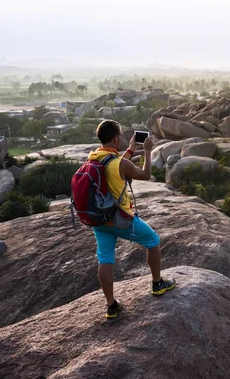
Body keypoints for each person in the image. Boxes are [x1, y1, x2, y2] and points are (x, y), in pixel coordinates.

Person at [89, 120, 175, 319]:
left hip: (100, 220)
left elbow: (115, 167)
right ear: (116, 138)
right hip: (120, 218)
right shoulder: (120, 162)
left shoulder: (94, 156)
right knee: (153, 241)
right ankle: (157, 284)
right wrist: (146, 151)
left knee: (105, 259)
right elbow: (145, 174)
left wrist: (130, 150)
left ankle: (111, 306)